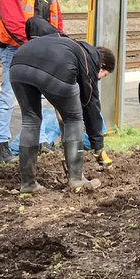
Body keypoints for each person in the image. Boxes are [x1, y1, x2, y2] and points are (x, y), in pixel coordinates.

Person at [9, 26, 114, 194]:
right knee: (74, 119)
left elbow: (35, 21)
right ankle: (77, 179)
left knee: (31, 121)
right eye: (104, 75)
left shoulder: (64, 43)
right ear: (102, 66)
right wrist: (98, 146)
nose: (99, 79)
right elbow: (90, 104)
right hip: (53, 68)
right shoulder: (90, 59)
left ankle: (28, 184)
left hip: (19, 64)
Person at [0, 0, 63, 163]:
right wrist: (30, 43)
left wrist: (56, 39)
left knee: (37, 94)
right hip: (14, 46)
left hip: (39, 45)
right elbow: (12, 19)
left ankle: (40, 140)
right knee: (8, 96)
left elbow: (54, 10)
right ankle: (0, 144)